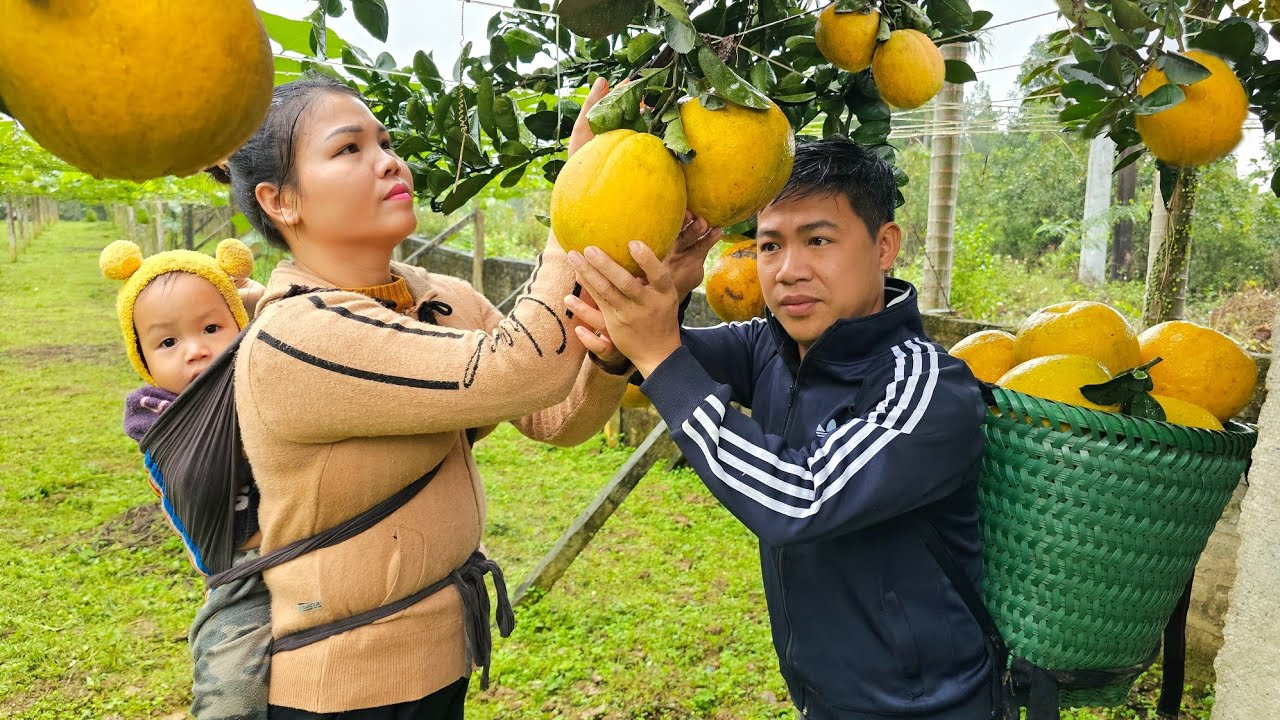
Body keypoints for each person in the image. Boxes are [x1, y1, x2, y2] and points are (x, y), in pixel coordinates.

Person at [215, 74, 634, 719]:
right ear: (281, 201)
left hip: (440, 663)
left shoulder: (436, 296)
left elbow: (551, 414)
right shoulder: (296, 337)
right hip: (346, 692)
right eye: (348, 149)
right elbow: (517, 369)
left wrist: (607, 356)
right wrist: (579, 206)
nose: (388, 160)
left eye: (383, 141)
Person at [567, 137, 995, 719]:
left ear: (884, 245)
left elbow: (801, 498)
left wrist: (657, 351)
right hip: (821, 700)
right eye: (770, 245)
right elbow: (656, 356)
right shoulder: (773, 347)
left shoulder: (930, 388)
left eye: (818, 240)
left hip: (927, 710)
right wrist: (658, 293)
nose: (790, 271)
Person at [102, 238, 271, 720]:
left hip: (324, 548)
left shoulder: (265, 369)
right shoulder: (155, 413)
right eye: (168, 342)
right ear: (144, 359)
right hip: (244, 573)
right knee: (231, 695)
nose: (196, 351)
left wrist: (258, 305)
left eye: (212, 328)